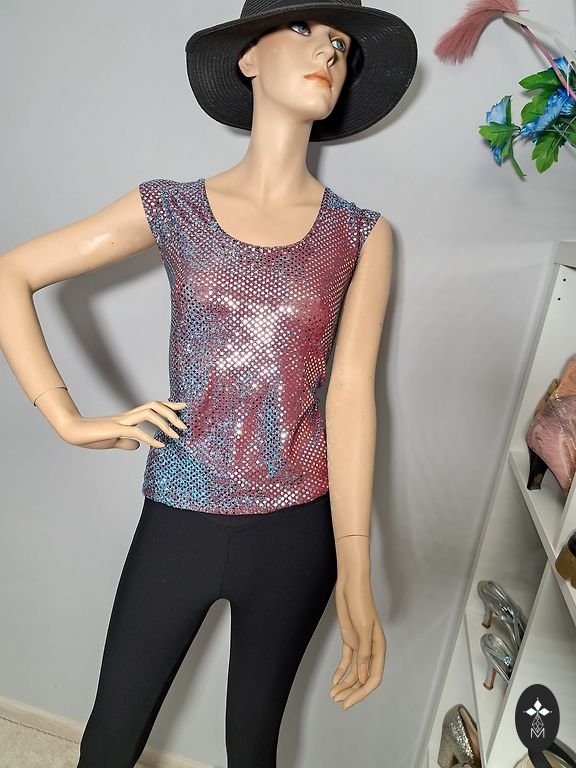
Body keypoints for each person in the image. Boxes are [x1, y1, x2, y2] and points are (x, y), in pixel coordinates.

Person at [0, 1, 417, 766]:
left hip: (299, 529)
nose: (328, 52)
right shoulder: (176, 208)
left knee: (253, 746)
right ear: (247, 58)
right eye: (303, 29)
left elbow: (352, 396)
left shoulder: (361, 236)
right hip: (181, 515)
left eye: (340, 43)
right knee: (111, 737)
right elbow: (11, 273)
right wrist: (66, 417)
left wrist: (356, 564)